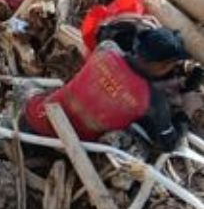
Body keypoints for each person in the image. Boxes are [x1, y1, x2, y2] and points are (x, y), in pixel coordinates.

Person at [23, 27, 194, 150]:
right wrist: (187, 109)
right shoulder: (151, 101)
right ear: (165, 65)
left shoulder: (107, 49)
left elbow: (118, 78)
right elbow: (168, 143)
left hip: (36, 117)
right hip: (69, 146)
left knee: (29, 89)